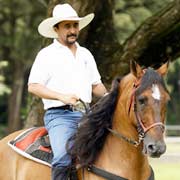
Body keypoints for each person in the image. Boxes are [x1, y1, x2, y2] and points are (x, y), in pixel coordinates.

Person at [28, 3, 107, 180]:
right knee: (63, 159)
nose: (72, 30)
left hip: (88, 114)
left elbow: (96, 85)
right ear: (56, 29)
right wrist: (61, 96)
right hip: (59, 115)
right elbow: (33, 86)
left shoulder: (85, 54)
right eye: (67, 26)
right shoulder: (47, 55)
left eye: (75, 25)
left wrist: (111, 97)